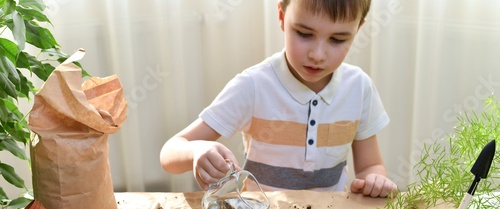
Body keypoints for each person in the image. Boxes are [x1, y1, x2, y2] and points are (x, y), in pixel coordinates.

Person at [160, 0, 398, 198]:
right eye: (304, 34)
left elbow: (370, 166)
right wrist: (197, 150)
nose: (317, 55)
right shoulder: (253, 86)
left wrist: (375, 180)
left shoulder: (359, 87)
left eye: (337, 40)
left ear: (358, 30)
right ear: (282, 17)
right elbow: (170, 153)